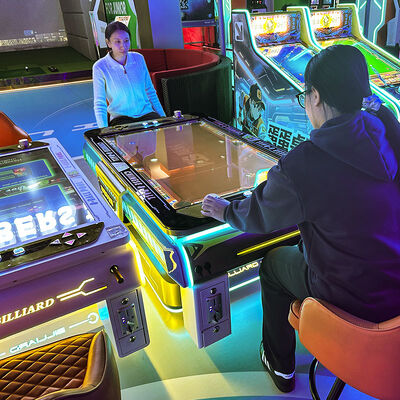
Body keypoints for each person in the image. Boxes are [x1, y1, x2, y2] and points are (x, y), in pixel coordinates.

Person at [201, 45, 400, 393]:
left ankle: (279, 364)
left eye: (304, 95)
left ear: (316, 96)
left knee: (273, 263)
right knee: (303, 241)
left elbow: (259, 216)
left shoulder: (304, 163)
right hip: (393, 283)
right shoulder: (382, 132)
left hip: (353, 296)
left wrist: (224, 210)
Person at [92, 21, 166, 128]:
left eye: (126, 40)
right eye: (117, 41)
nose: (123, 46)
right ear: (108, 43)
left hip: (147, 114)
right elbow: (100, 103)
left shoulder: (138, 58)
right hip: (121, 119)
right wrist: (103, 130)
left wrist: (163, 117)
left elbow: (150, 91)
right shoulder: (100, 67)